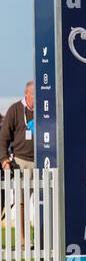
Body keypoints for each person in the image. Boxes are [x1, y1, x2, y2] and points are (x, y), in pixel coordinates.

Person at [0, 81, 35, 247]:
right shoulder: (15, 109)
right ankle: (22, 240)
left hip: (43, 161)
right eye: (34, 94)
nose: (37, 98)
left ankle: (45, 237)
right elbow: (4, 137)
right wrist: (4, 159)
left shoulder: (45, 109)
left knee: (45, 200)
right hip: (21, 161)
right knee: (21, 202)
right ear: (26, 93)